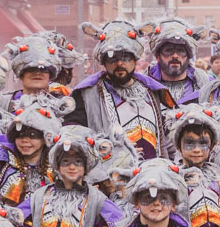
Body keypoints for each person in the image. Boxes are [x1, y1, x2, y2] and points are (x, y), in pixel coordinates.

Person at [73, 21, 170, 159]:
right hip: (110, 175)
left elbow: (166, 140)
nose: (119, 63)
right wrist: (110, 151)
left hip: (151, 174)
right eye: (113, 58)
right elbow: (75, 137)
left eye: (125, 57)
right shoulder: (87, 94)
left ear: (135, 59)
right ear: (104, 62)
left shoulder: (153, 91)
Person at [0, 100, 61, 210]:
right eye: (19, 135)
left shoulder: (57, 167)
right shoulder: (3, 164)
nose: (25, 140)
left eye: (32, 135)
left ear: (45, 138)